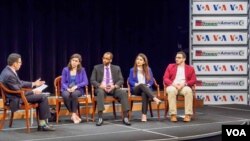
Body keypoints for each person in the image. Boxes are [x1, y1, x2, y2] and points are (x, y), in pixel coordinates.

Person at [0, 53, 55, 131]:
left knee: (41, 96)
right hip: (15, 99)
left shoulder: (8, 70)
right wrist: (33, 91)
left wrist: (34, 84)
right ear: (14, 64)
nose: (21, 64)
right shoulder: (9, 75)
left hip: (17, 96)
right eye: (20, 62)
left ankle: (42, 123)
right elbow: (18, 92)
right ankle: (42, 124)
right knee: (43, 97)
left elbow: (20, 83)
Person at [90, 52, 131, 126]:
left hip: (113, 88)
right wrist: (100, 85)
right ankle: (100, 117)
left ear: (110, 60)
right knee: (100, 93)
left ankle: (125, 117)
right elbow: (92, 80)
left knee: (123, 93)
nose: (104, 60)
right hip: (101, 88)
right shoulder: (96, 67)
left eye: (107, 59)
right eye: (103, 58)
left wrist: (114, 86)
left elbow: (121, 80)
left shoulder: (116, 68)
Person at [163, 51, 196, 122]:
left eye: (179, 58)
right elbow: (165, 78)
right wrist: (173, 84)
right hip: (173, 85)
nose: (176, 59)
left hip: (184, 86)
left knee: (188, 91)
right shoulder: (170, 66)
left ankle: (188, 115)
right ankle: (173, 115)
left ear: (184, 59)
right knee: (171, 91)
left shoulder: (190, 68)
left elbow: (193, 80)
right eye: (176, 57)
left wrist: (184, 84)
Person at [128, 53, 161, 122]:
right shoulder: (132, 70)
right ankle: (154, 98)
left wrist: (148, 85)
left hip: (145, 89)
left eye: (140, 60)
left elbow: (151, 81)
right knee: (142, 85)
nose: (138, 61)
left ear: (144, 62)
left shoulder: (148, 70)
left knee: (144, 93)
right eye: (137, 59)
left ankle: (144, 115)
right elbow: (130, 80)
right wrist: (137, 84)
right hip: (136, 89)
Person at [61, 53, 88, 124]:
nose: (74, 62)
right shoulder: (65, 70)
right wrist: (67, 88)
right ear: (70, 61)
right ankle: (74, 114)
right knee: (65, 95)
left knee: (74, 94)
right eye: (73, 60)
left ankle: (73, 114)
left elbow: (85, 82)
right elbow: (63, 82)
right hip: (67, 88)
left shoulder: (82, 70)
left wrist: (76, 86)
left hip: (78, 89)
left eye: (76, 61)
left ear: (79, 62)